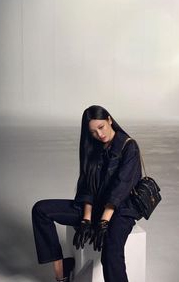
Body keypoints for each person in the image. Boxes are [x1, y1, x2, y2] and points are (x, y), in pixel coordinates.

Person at [31, 105, 143, 282]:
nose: (99, 134)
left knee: (111, 250)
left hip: (121, 211)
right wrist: (86, 219)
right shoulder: (93, 148)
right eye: (93, 132)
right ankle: (61, 269)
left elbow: (121, 188)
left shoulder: (129, 147)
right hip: (96, 207)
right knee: (40, 210)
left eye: (101, 127)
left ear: (109, 120)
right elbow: (87, 186)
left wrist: (104, 222)